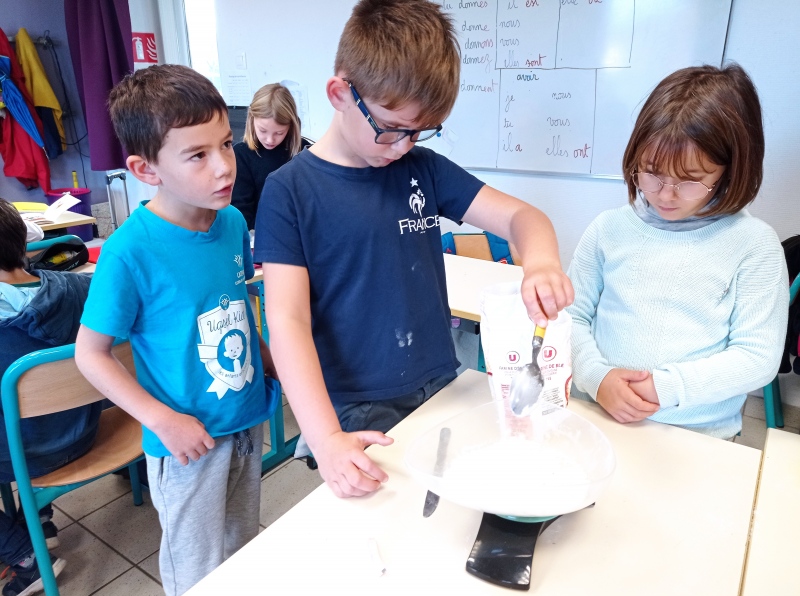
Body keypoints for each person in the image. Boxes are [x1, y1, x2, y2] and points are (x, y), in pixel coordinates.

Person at [254, 0, 574, 499]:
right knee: (381, 520)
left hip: (439, 380)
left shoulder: (422, 169)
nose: (403, 145)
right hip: (357, 405)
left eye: (419, 132)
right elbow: (287, 321)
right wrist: (325, 437)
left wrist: (543, 263)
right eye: (390, 128)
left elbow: (523, 218)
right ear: (340, 94)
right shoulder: (290, 191)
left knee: (451, 506)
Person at [74, 65, 280, 596]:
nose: (224, 167)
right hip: (186, 442)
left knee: (242, 549)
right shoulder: (129, 251)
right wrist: (162, 421)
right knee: (196, 571)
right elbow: (90, 354)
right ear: (146, 169)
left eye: (227, 144)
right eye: (197, 155)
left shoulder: (231, 222)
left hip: (244, 418)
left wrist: (272, 362)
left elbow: (234, 307)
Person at [567, 64, 788, 439]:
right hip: (596, 415)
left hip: (697, 434)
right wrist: (597, 376)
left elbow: (757, 357)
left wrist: (666, 387)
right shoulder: (609, 229)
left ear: (730, 171)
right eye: (651, 173)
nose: (665, 194)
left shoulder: (753, 245)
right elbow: (570, 316)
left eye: (690, 181)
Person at [0, 199, 98, 596]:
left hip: (29, 454)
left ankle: (24, 555)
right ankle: (37, 519)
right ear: (24, 242)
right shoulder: (83, 287)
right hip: (91, 429)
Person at [231, 83, 312, 230]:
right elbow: (242, 212)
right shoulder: (241, 155)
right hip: (260, 235)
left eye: (279, 133)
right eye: (263, 130)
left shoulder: (305, 152)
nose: (270, 140)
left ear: (291, 125)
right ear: (251, 119)